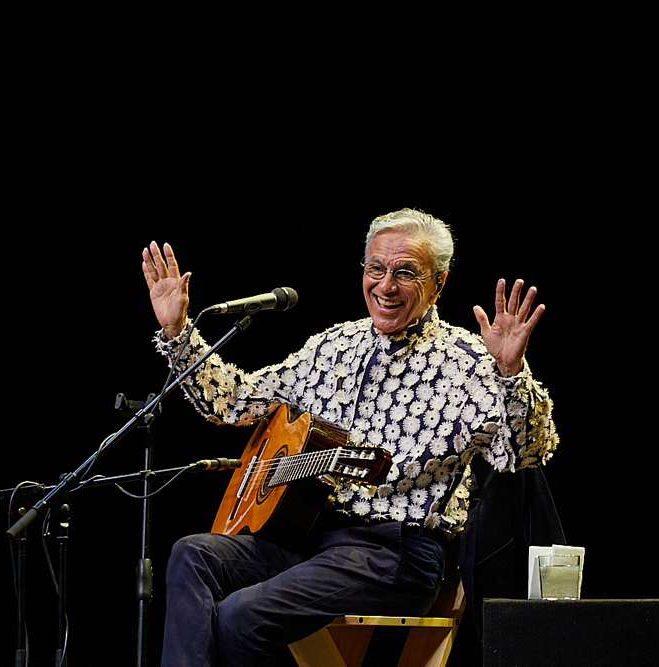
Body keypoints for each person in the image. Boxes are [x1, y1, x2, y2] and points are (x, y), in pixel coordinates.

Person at [140, 208, 558, 666]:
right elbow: (235, 402)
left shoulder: (469, 362)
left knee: (241, 615)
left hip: (396, 555)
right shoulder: (333, 346)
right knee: (192, 554)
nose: (386, 285)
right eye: (376, 269)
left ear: (438, 284)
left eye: (405, 273)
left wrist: (510, 372)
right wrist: (178, 332)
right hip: (313, 539)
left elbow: (523, 455)